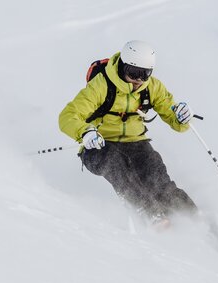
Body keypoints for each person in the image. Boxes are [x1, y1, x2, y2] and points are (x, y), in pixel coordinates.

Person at [59, 40, 198, 229]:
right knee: (118, 167)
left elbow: (175, 119)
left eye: (145, 74)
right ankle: (150, 214)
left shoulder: (152, 87)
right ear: (123, 65)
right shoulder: (101, 86)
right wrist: (85, 132)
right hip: (99, 145)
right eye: (134, 73)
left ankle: (200, 222)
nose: (138, 80)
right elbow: (68, 116)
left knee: (159, 182)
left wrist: (181, 118)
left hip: (137, 144)